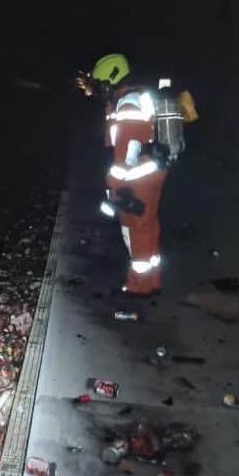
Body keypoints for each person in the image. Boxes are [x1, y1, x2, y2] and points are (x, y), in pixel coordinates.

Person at [89, 54, 167, 297]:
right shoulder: (136, 97)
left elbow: (126, 152)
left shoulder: (127, 106)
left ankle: (138, 288)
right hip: (151, 173)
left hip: (137, 179)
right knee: (149, 227)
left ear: (113, 79)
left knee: (135, 231)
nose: (101, 91)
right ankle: (152, 281)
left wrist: (112, 184)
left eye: (103, 85)